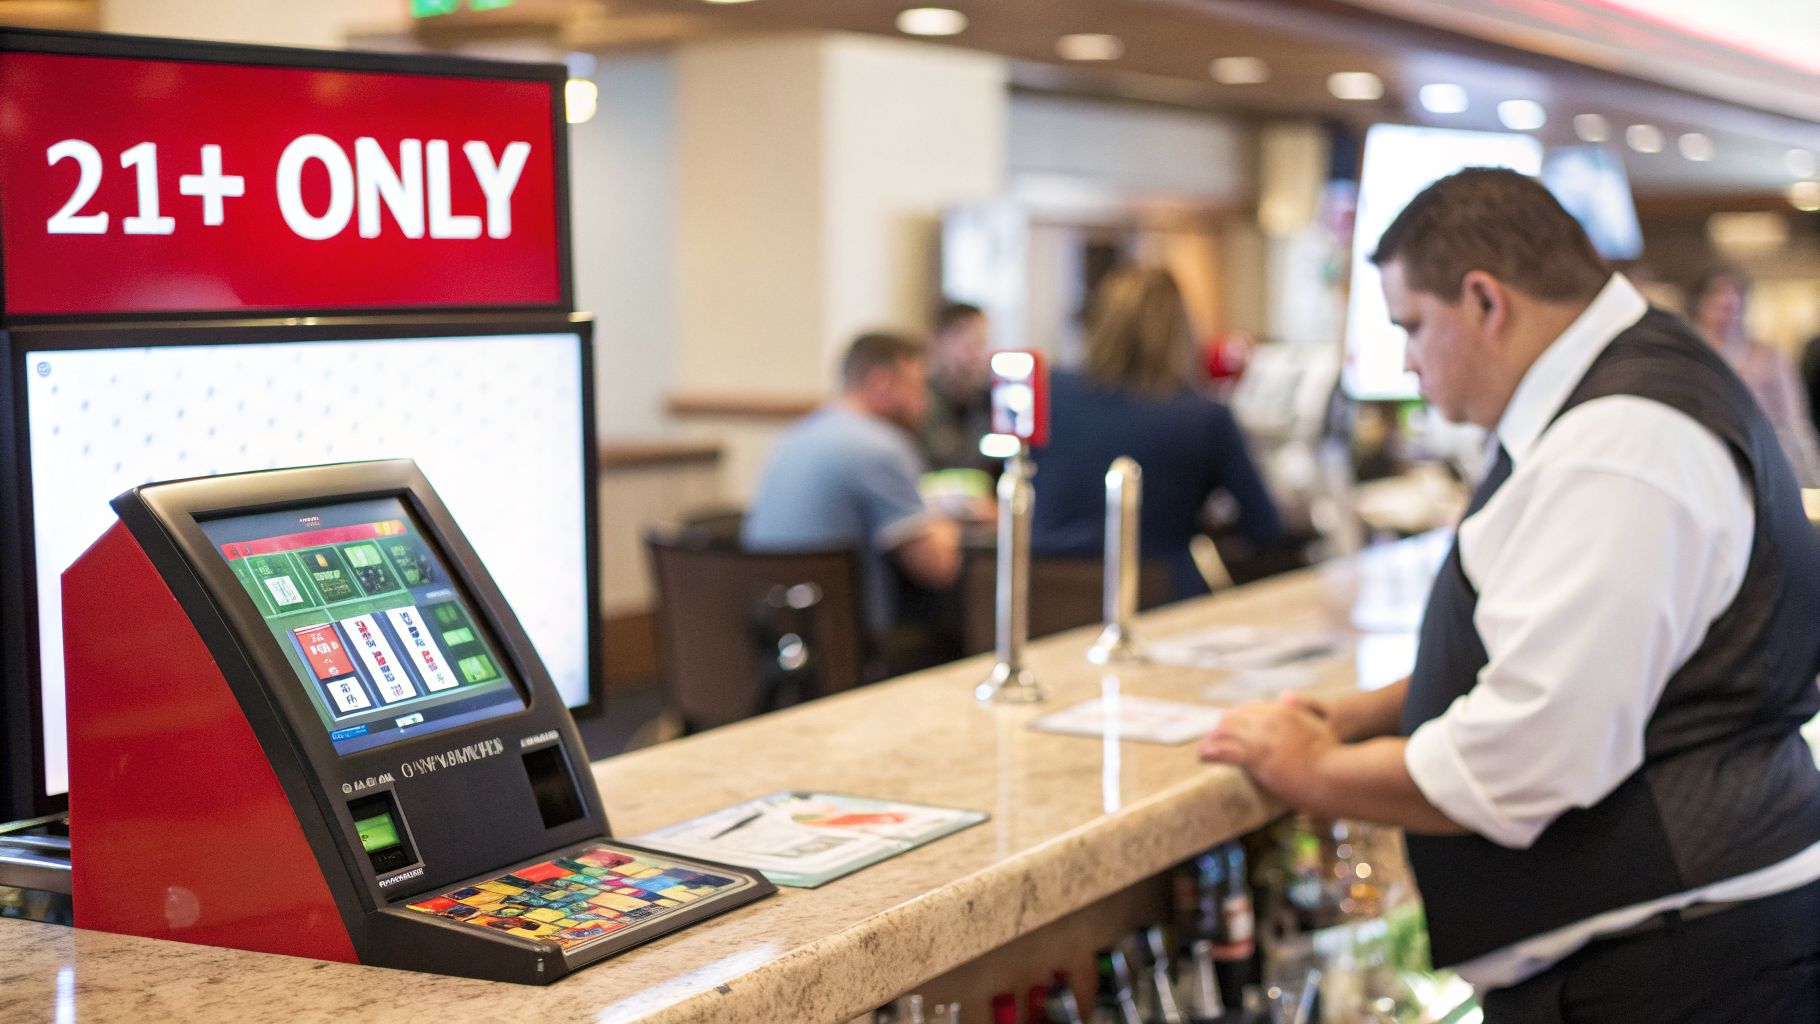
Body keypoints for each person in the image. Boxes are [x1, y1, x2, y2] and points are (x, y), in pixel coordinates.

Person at [1199, 168, 1820, 1020]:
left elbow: (1529, 755)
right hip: (1675, 951)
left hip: (1678, 968)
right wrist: (1359, 716)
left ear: (1487, 301)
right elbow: (1554, 658)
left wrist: (1312, 769)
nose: (1408, 360)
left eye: (1413, 326)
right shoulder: (1614, 396)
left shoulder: (1619, 441)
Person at [1030, 266, 1282, 601]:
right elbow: (1265, 527)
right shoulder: (1203, 415)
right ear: (1180, 330)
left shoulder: (1049, 393)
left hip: (1045, 601)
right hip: (1154, 603)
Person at [743, 331, 962, 673]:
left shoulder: (794, 436)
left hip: (771, 640)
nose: (925, 404)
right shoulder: (882, 447)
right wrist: (948, 520)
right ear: (880, 383)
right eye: (917, 387)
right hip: (849, 647)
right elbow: (938, 568)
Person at [1691, 268, 1820, 487]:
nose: (1726, 314)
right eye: (1718, 305)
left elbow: (1795, 422)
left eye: (1732, 307)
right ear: (1701, 306)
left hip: (1761, 461)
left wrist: (1812, 479)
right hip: (1702, 463)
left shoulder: (1770, 358)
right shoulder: (1690, 357)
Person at [918, 300, 996, 473]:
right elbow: (952, 462)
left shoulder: (983, 400)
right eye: (969, 345)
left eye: (981, 344)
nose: (977, 356)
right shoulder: (921, 400)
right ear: (940, 342)